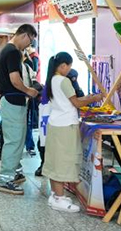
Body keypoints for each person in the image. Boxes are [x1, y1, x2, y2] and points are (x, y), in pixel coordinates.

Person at [42, 52, 104, 212]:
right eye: (69, 66)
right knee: (63, 162)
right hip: (66, 126)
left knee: (55, 160)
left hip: (55, 124)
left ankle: (55, 195)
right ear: (63, 66)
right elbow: (76, 103)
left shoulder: (52, 79)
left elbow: (70, 101)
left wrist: (89, 98)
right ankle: (60, 198)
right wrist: (93, 98)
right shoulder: (64, 81)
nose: (70, 70)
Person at [0, 24, 39, 195]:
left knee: (17, 139)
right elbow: (14, 79)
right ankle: (5, 180)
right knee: (14, 141)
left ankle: (15, 172)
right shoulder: (13, 52)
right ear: (25, 35)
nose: (29, 45)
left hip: (11, 100)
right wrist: (29, 91)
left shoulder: (6, 50)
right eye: (30, 41)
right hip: (12, 100)